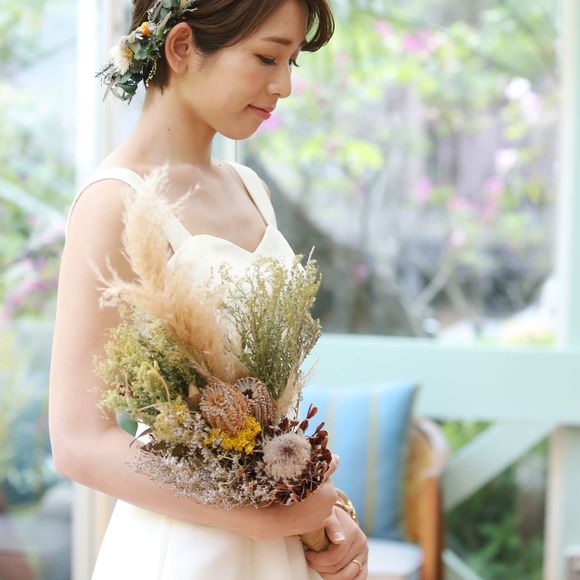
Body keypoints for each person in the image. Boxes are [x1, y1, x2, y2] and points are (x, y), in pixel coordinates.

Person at [48, 0, 369, 578]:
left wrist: (328, 512)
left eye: (292, 62)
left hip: (277, 547)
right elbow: (78, 442)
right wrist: (255, 516)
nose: (285, 86)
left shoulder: (249, 187)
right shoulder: (113, 202)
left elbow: (268, 415)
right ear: (181, 47)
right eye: (267, 58)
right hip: (183, 553)